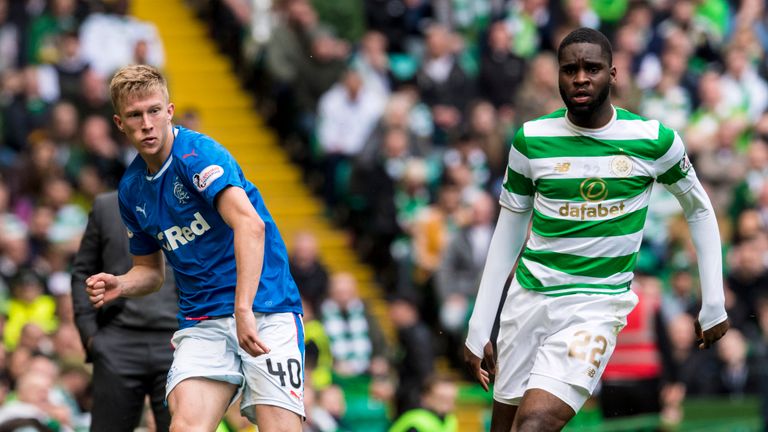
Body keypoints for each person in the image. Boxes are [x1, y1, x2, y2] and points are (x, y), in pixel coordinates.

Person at [464, 28, 730, 431]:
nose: (580, 78)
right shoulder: (531, 141)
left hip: (594, 306)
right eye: (569, 69)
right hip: (528, 301)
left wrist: (713, 301)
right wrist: (480, 324)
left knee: (533, 426)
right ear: (558, 76)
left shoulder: (652, 141)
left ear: (614, 73)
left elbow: (699, 211)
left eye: (592, 68)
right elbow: (507, 235)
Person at [85, 64, 304, 432]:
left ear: (169, 111)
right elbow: (152, 273)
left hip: (265, 307)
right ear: (120, 124)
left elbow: (250, 225)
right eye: (135, 115)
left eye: (154, 111)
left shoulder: (198, 154)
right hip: (203, 320)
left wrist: (243, 309)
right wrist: (122, 284)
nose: (147, 123)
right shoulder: (131, 190)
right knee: (185, 427)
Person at [71, 191, 178, 432]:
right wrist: (91, 336)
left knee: (182, 427)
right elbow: (82, 273)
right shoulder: (106, 206)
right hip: (117, 340)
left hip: (177, 339)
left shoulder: (192, 202)